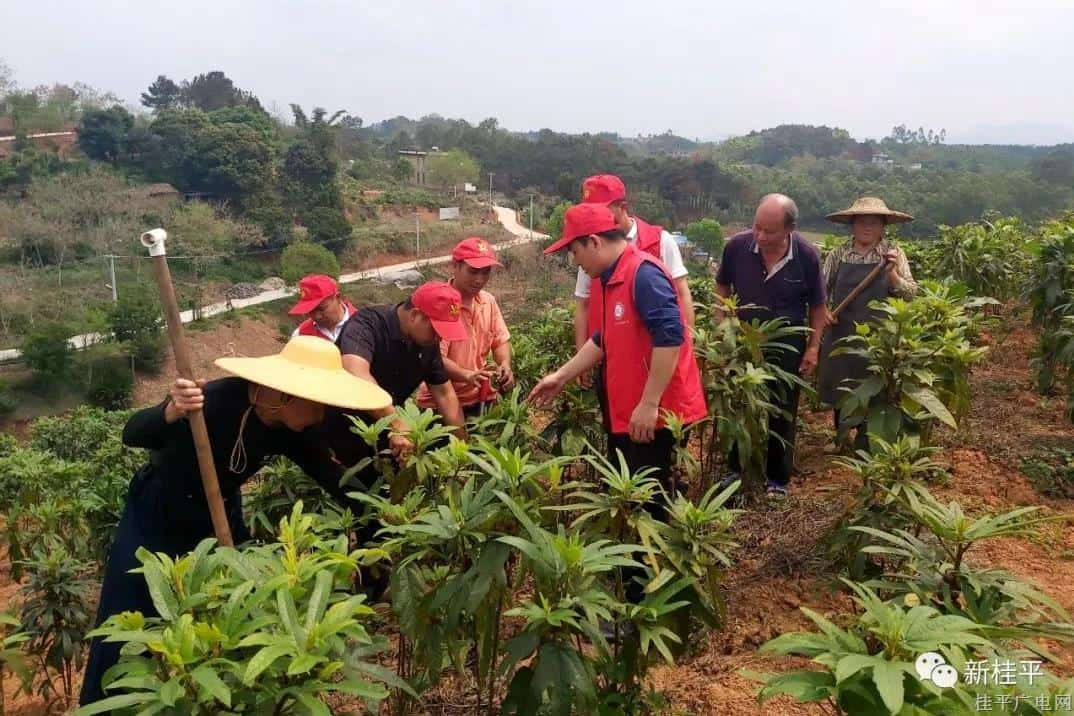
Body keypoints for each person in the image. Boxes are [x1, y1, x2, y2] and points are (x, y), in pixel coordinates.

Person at [80, 337, 392, 706]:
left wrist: (380, 513)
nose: (321, 414)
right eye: (318, 402)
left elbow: (334, 478)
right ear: (287, 395)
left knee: (227, 616)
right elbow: (132, 433)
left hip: (220, 516)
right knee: (127, 610)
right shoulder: (212, 401)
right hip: (157, 513)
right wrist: (170, 410)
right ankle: (103, 706)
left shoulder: (291, 429)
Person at [530, 203, 707, 515]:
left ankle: (646, 563)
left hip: (655, 415)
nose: (575, 262)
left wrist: (650, 403)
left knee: (647, 504)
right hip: (632, 411)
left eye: (575, 251)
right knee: (630, 497)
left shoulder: (643, 274)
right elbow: (604, 339)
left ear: (595, 242)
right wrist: (561, 376)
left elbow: (671, 336)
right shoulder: (614, 277)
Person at [715, 194, 827, 498]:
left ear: (789, 229)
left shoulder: (806, 255)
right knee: (740, 402)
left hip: (788, 344)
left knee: (783, 409)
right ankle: (736, 469)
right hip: (743, 340)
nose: (760, 236)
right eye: (757, 228)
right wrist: (722, 323)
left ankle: (778, 478)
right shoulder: (737, 247)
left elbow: (818, 306)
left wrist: (814, 347)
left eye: (770, 231)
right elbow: (722, 285)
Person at [817, 197, 917, 446]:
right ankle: (841, 436)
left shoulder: (893, 254)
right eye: (862, 222)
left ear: (883, 226)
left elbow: (911, 293)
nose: (867, 227)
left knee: (874, 385)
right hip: (842, 331)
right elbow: (820, 291)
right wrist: (824, 312)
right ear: (852, 225)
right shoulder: (839, 253)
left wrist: (892, 275)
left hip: (878, 335)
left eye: (873, 222)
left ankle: (869, 439)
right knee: (841, 385)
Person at [335, 281, 468, 469]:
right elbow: (356, 374)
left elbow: (445, 395)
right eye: (436, 330)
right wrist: (395, 421)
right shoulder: (367, 325)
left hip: (387, 435)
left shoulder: (427, 343)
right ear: (415, 315)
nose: (440, 337)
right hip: (344, 432)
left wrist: (463, 450)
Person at [573, 175, 695, 359]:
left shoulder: (661, 241)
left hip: (654, 356)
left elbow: (682, 294)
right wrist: (580, 354)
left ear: (622, 207)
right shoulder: (591, 251)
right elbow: (583, 303)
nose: (597, 218)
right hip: (607, 354)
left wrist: (687, 350)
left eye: (603, 211)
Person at [416, 237, 514, 418]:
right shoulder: (440, 304)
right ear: (455, 266)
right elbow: (435, 358)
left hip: (480, 397)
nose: (479, 279)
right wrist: (466, 375)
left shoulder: (488, 301)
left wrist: (504, 365)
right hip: (439, 403)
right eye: (473, 271)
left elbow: (500, 340)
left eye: (486, 273)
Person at [288, 274, 356, 343]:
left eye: (322, 309)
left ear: (338, 298)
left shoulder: (364, 323)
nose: (317, 316)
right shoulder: (301, 336)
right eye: (311, 311)